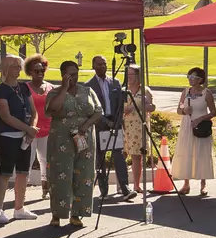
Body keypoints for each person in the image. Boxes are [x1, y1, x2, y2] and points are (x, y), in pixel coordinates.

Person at [45, 59, 101, 228]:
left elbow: (98, 111)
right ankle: (57, 213)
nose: (74, 78)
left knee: (84, 175)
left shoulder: (88, 91)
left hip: (85, 138)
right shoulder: (54, 92)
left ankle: (77, 214)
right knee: (60, 174)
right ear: (63, 75)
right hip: (61, 138)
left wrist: (86, 125)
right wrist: (64, 88)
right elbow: (53, 109)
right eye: (70, 75)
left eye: (76, 75)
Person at [0, 55, 38, 224]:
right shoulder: (1, 90)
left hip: (25, 137)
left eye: (19, 65)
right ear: (6, 69)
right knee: (5, 173)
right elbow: (6, 117)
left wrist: (32, 129)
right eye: (15, 66)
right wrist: (28, 129)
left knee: (23, 172)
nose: (18, 69)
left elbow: (34, 111)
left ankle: (19, 208)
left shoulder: (24, 87)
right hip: (9, 136)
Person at [86, 56, 130, 201]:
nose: (102, 67)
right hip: (99, 124)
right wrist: (104, 121)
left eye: (104, 64)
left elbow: (120, 105)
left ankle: (125, 187)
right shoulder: (88, 86)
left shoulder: (115, 82)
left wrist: (117, 121)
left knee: (118, 156)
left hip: (115, 122)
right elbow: (90, 109)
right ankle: (103, 189)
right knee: (100, 159)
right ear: (93, 66)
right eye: (99, 64)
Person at [173, 66, 216, 195]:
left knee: (201, 153)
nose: (190, 80)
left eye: (193, 77)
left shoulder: (206, 93)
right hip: (187, 125)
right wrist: (184, 111)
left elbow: (213, 112)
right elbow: (178, 109)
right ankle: (186, 184)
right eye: (189, 77)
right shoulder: (185, 92)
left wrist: (201, 118)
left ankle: (203, 184)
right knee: (186, 152)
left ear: (200, 79)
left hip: (201, 125)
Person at [121, 65, 155, 196]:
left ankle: (136, 185)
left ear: (138, 75)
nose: (129, 77)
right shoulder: (124, 90)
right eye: (127, 75)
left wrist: (142, 105)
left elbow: (151, 107)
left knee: (137, 156)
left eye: (132, 75)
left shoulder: (145, 90)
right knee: (122, 154)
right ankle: (123, 185)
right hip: (125, 125)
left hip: (139, 126)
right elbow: (118, 107)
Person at [24, 55, 53, 194]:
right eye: (36, 71)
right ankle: (22, 193)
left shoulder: (50, 87)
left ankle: (45, 188)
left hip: (48, 129)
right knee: (28, 160)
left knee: (45, 160)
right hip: (30, 129)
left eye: (42, 70)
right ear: (30, 72)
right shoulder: (25, 88)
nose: (40, 73)